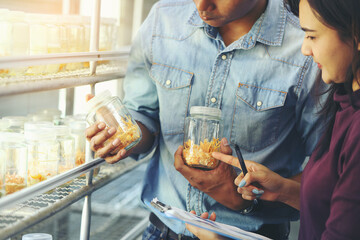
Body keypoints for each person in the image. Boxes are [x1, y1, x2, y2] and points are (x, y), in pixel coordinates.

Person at [85, 0, 324, 239]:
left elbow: (327, 172)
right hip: (162, 230)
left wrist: (244, 199)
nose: (201, 5)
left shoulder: (308, 41)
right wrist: (121, 136)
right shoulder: (162, 19)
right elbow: (143, 114)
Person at [188, 0, 360, 239]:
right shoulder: (344, 105)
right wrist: (282, 190)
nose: (305, 50)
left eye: (312, 36)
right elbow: (333, 206)